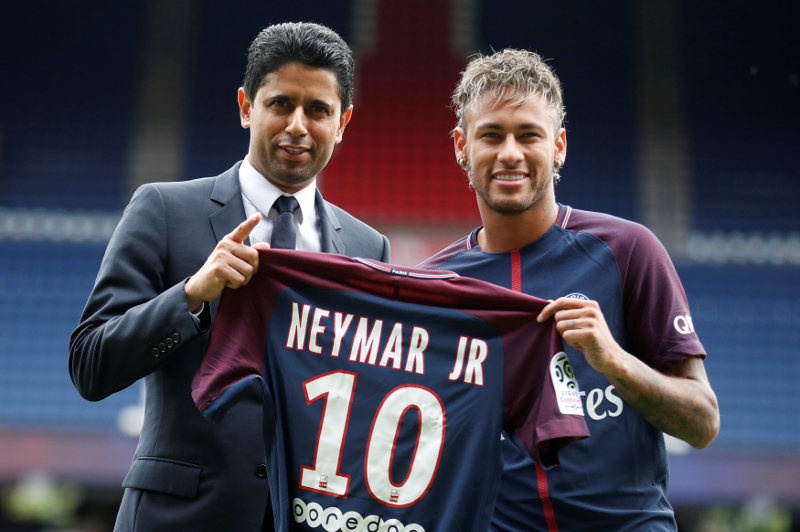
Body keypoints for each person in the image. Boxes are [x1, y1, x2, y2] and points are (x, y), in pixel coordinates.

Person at [69, 22, 389, 532]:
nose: (298, 125)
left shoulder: (367, 247)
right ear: (246, 107)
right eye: (281, 104)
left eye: (319, 110)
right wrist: (193, 294)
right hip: (180, 517)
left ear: (343, 120)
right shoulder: (164, 210)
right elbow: (90, 366)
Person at [417, 49, 720, 531]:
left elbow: (702, 423)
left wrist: (612, 359)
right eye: (491, 135)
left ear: (558, 146)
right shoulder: (435, 285)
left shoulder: (627, 250)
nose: (510, 153)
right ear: (461, 145)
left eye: (529, 135)